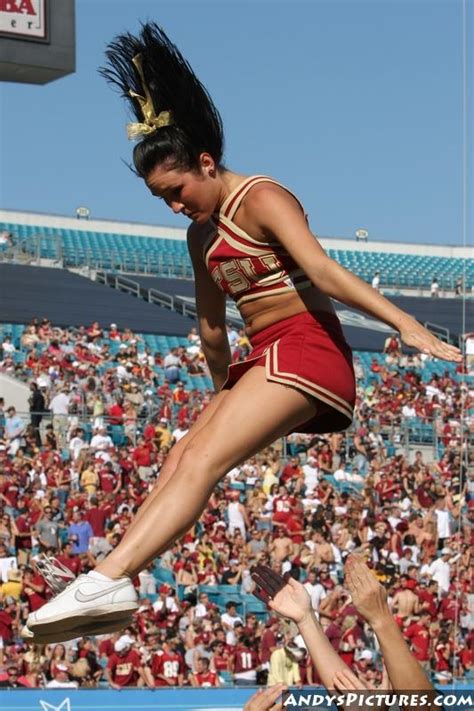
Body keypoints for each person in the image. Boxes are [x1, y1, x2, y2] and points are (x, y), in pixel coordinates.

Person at [24, 22, 461, 643]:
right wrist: (221, 395)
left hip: (309, 347)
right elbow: (209, 326)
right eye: (162, 199)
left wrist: (403, 321)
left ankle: (112, 577)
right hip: (259, 357)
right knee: (182, 454)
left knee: (203, 457)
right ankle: (109, 582)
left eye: (177, 190)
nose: (174, 206)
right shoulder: (199, 234)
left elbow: (321, 269)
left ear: (205, 163)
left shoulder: (261, 197)